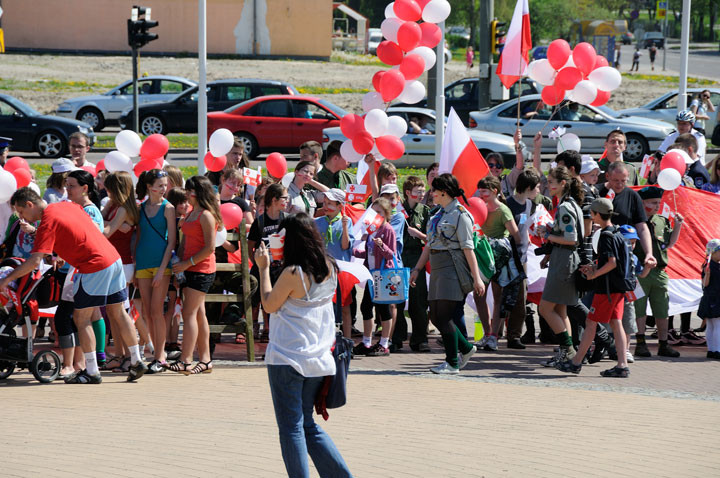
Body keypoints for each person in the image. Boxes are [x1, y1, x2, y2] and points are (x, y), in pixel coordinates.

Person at [0, 188, 148, 384]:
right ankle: (137, 360)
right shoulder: (66, 205)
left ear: (29, 204)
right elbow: (78, 231)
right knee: (118, 312)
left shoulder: (47, 221)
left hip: (93, 265)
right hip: (113, 259)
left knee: (81, 317)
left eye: (21, 212)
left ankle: (92, 371)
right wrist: (61, 252)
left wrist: (5, 280)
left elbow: (34, 262)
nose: (21, 217)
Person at [255, 213, 353, 478]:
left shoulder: (293, 272)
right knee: (307, 425)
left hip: (288, 357)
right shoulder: (331, 266)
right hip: (319, 359)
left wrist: (264, 268)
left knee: (291, 428)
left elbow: (268, 304)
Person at [409, 174, 484, 374]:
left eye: (434, 190)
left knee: (443, 316)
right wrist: (417, 269)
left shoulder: (461, 215)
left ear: (444, 192)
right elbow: (429, 246)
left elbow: (469, 249)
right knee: (434, 315)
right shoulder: (437, 215)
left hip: (452, 267)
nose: (430, 194)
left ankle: (452, 362)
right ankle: (466, 349)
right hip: (437, 268)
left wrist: (476, 278)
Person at [556, 198, 632, 377]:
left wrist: (593, 274)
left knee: (591, 322)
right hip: (618, 288)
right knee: (616, 323)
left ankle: (575, 363)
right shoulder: (617, 233)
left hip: (606, 289)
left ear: (596, 214)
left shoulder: (605, 235)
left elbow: (612, 263)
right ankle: (622, 365)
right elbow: (612, 261)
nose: (591, 216)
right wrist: (594, 267)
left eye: (592, 213)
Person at [166, 176, 221, 375]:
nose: (187, 194)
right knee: (198, 314)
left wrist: (186, 264)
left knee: (189, 314)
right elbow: (185, 242)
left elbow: (209, 248)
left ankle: (185, 360)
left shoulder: (206, 215)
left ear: (197, 192)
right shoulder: (191, 212)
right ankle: (205, 360)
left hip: (201, 269)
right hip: (188, 268)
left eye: (190, 190)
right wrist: (178, 264)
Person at [538, 166, 584, 367]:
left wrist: (547, 235)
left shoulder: (565, 207)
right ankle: (568, 353)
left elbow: (571, 238)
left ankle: (568, 349)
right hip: (564, 259)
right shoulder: (571, 204)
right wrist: (549, 230)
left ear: (563, 183)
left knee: (545, 308)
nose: (548, 185)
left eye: (551, 182)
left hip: (564, 261)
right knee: (561, 310)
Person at [633, 186, 683, 358]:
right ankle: (640, 343)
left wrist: (678, 225)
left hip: (660, 272)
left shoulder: (661, 220)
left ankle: (663, 344)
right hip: (640, 272)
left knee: (662, 309)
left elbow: (669, 244)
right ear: (642, 203)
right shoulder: (635, 221)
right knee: (639, 308)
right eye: (653, 203)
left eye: (658, 203)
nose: (657, 206)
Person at [135, 169, 177, 374]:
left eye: (165, 184)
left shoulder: (168, 208)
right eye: (160, 185)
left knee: (157, 311)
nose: (164, 188)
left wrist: (162, 270)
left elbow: (172, 242)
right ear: (150, 186)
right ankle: (155, 353)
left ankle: (161, 355)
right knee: (147, 313)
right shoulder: (141, 208)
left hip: (161, 264)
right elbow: (138, 236)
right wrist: (135, 265)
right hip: (142, 262)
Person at [473, 175, 521, 351]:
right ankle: (486, 333)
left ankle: (494, 335)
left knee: (498, 296)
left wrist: (503, 245)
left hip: (499, 258)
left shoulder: (503, 210)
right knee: (479, 294)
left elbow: (516, 235)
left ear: (494, 191)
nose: (481, 194)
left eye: (484, 191)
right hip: (482, 256)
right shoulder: (479, 207)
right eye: (480, 191)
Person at [66, 169, 108, 367]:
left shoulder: (90, 211)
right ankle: (96, 356)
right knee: (93, 313)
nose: (67, 189)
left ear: (85, 188)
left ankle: (91, 358)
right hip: (80, 267)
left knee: (86, 315)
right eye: (67, 185)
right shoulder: (75, 208)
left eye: (72, 185)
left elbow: (90, 240)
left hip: (88, 268)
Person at [101, 171, 139, 371]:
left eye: (109, 188)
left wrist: (97, 222)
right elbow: (105, 222)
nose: (106, 192)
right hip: (116, 263)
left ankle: (127, 356)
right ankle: (120, 354)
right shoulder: (114, 205)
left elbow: (106, 231)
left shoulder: (123, 209)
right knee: (113, 313)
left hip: (122, 265)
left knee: (119, 314)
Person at [352, 197, 397, 357]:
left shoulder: (388, 230)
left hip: (383, 274)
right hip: (372, 273)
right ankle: (366, 341)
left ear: (385, 214)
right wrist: (354, 251)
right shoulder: (372, 230)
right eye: (373, 212)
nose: (375, 215)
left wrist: (381, 244)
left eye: (379, 212)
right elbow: (369, 252)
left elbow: (391, 254)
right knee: (365, 307)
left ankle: (385, 343)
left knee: (383, 309)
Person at [248, 183, 289, 341]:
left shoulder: (285, 219)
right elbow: (250, 245)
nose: (287, 201)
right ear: (274, 200)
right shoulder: (259, 222)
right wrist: (256, 262)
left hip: (279, 267)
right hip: (262, 266)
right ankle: (256, 326)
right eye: (284, 198)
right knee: (257, 298)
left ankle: (269, 327)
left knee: (274, 298)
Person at [396, 176, 430, 352]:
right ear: (408, 192)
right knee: (397, 299)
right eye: (418, 191)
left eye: (423, 190)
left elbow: (431, 239)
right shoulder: (397, 209)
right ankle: (397, 337)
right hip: (399, 257)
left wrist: (420, 235)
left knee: (418, 301)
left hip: (418, 257)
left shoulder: (425, 211)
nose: (421, 194)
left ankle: (420, 339)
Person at [314, 189, 354, 337]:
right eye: (325, 203)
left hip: (341, 271)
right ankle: (324, 338)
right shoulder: (317, 222)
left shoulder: (347, 222)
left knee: (345, 307)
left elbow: (345, 246)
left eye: (330, 203)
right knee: (324, 306)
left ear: (340, 206)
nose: (326, 206)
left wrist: (344, 227)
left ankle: (348, 340)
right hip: (323, 270)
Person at [699, 240, 720, 360]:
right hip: (714, 298)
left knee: (711, 325)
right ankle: (717, 350)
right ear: (714, 252)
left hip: (710, 298)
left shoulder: (710, 265)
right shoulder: (709, 266)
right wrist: (707, 275)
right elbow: (705, 284)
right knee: (717, 325)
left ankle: (711, 349)